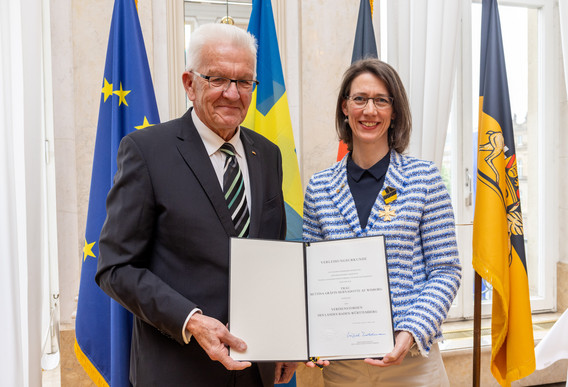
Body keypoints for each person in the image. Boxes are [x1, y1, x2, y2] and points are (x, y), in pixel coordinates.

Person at [96, 23, 297, 387]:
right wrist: (190, 319)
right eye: (218, 78)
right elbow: (115, 267)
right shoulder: (146, 151)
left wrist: (284, 340)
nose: (233, 94)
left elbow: (273, 259)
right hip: (178, 370)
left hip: (256, 372)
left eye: (244, 81)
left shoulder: (268, 154)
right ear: (190, 83)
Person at [302, 58, 462, 386]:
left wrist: (411, 331)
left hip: (413, 362)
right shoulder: (319, 187)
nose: (369, 110)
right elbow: (310, 278)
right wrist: (311, 339)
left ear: (394, 111)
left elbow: (446, 270)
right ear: (345, 107)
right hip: (344, 366)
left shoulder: (425, 178)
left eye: (381, 100)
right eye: (359, 99)